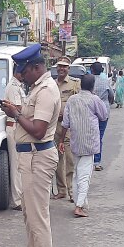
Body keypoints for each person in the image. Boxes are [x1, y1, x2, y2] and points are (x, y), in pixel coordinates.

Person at [0, 44, 60, 247]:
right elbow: (31, 117)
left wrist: (15, 115)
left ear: (37, 67)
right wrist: (16, 110)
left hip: (38, 156)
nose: (22, 75)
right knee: (29, 214)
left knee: (38, 217)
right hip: (31, 157)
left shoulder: (46, 90)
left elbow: (38, 130)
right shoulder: (37, 87)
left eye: (25, 71)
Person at [58, 75, 108, 218]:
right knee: (85, 175)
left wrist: (61, 140)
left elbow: (65, 124)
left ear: (80, 85)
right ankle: (79, 206)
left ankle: (80, 201)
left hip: (75, 141)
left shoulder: (72, 100)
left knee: (77, 172)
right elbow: (104, 116)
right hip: (89, 142)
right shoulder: (95, 99)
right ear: (92, 86)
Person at [53, 56, 79, 201]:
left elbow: (80, 103)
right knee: (57, 159)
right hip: (54, 126)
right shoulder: (51, 84)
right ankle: (61, 189)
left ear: (68, 69)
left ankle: (71, 191)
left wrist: (69, 115)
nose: (61, 69)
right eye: (59, 66)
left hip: (68, 127)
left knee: (69, 160)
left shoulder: (75, 84)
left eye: (64, 66)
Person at [3, 70, 26, 210]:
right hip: (14, 126)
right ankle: (17, 200)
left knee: (20, 164)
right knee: (16, 164)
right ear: (18, 72)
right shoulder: (13, 87)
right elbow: (17, 108)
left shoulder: (18, 86)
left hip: (18, 127)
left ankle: (21, 197)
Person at [90, 62, 114, 171]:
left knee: (89, 135)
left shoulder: (89, 80)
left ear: (92, 70)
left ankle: (89, 160)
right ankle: (97, 162)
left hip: (90, 110)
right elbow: (111, 95)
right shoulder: (106, 81)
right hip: (104, 111)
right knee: (99, 136)